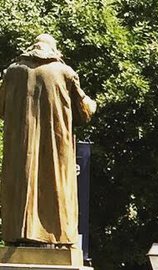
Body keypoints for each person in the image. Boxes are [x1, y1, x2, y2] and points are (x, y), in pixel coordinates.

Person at [0, 34, 95, 247]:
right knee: (56, 186)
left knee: (20, 185)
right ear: (54, 50)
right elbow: (85, 112)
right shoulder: (65, 73)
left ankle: (18, 234)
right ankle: (56, 237)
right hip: (55, 147)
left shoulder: (12, 72)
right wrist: (93, 103)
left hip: (19, 149)